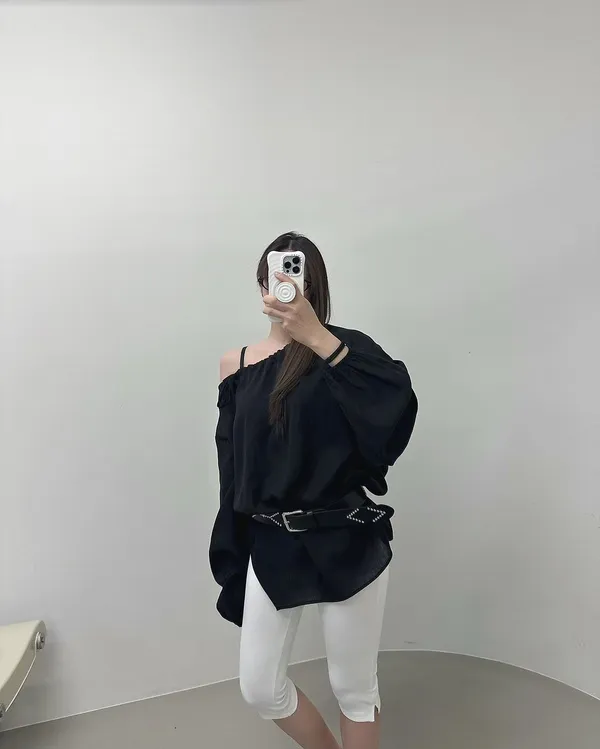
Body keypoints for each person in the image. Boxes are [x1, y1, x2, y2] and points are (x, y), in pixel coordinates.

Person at [209, 232, 418, 749]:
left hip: (345, 537)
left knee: (354, 688)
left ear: (312, 283)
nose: (281, 285)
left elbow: (395, 403)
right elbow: (232, 464)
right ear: (261, 285)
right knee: (260, 687)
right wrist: (234, 540)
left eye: (294, 273)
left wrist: (319, 339)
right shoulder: (237, 364)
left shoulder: (346, 350)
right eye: (273, 276)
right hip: (272, 541)